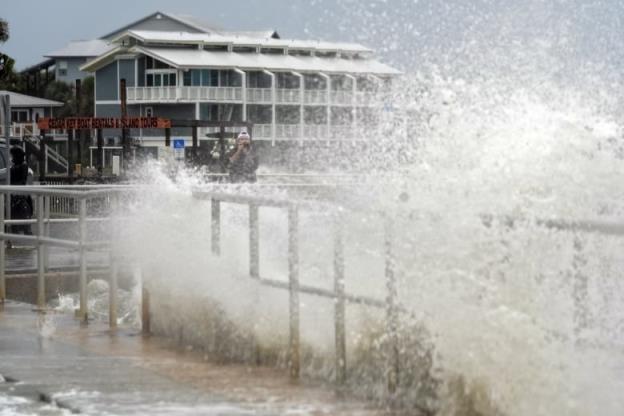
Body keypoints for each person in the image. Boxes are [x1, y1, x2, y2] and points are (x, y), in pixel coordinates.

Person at [8, 147, 33, 237]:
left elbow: (23, 181)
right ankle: (14, 234)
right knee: (14, 215)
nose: (11, 158)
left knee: (23, 212)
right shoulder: (13, 166)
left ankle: (27, 232)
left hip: (21, 196)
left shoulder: (23, 165)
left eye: (12, 156)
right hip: (13, 195)